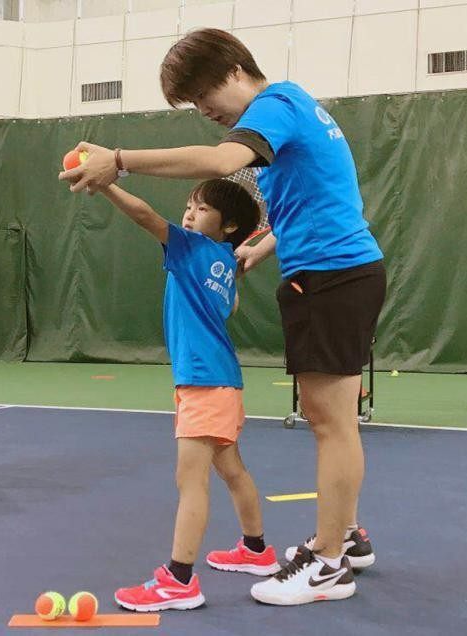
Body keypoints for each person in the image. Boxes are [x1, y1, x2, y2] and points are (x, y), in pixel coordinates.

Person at [60, 27, 384, 605]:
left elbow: (218, 161)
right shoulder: (295, 106)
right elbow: (316, 194)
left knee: (332, 423)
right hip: (330, 272)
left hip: (335, 276)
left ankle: (330, 563)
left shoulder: (275, 107)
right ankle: (347, 538)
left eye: (202, 96)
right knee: (329, 418)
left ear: (235, 71)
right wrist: (262, 247)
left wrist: (121, 162)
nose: (203, 110)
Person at [99, 178, 280, 612]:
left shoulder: (189, 248)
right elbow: (229, 307)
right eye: (188, 206)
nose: (188, 214)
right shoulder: (223, 261)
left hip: (203, 382)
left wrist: (105, 184)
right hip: (221, 382)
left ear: (230, 225)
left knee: (191, 481)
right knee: (231, 469)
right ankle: (257, 551)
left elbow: (144, 215)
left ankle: (179, 580)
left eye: (201, 209)